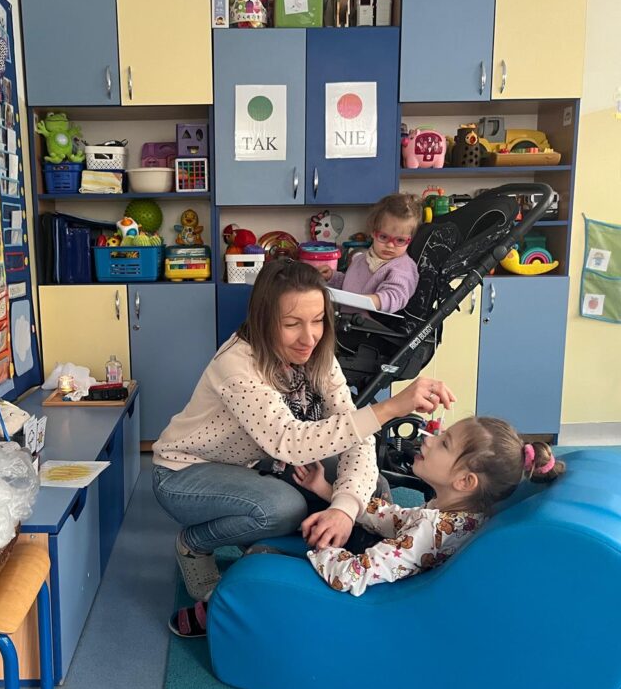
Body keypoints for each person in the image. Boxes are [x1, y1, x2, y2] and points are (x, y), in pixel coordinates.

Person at [152, 259, 455, 614]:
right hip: (183, 472)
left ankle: (300, 555)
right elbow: (290, 442)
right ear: (264, 321)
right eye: (292, 324)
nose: (309, 337)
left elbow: (355, 435)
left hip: (253, 462)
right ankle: (194, 543)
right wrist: (389, 408)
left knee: (371, 489)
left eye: (317, 320)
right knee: (282, 508)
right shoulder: (236, 365)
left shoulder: (317, 355)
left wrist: (343, 508)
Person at [298, 416, 565, 596]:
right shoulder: (465, 516)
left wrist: (323, 546)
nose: (429, 438)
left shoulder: (430, 529)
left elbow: (351, 576)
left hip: (385, 605)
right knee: (377, 488)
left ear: (464, 481)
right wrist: (328, 492)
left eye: (444, 443)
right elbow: (397, 518)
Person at [320, 193, 421, 314]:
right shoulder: (362, 259)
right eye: (383, 237)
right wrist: (332, 277)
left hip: (371, 324)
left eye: (400, 240)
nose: (390, 245)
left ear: (410, 239)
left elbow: (395, 296)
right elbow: (350, 286)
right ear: (373, 232)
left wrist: (367, 301)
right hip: (347, 320)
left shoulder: (403, 268)